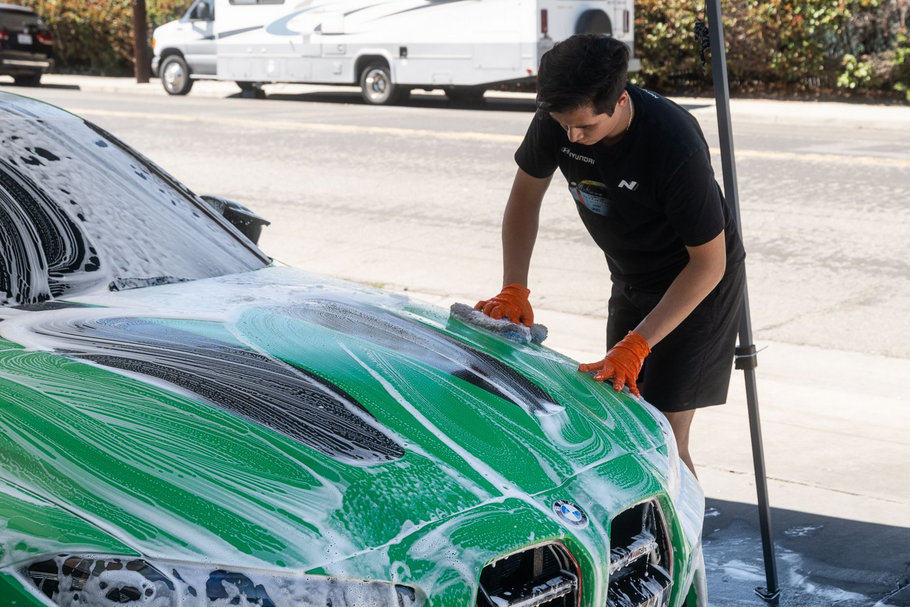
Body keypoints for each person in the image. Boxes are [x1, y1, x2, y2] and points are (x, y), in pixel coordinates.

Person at [475, 34, 746, 476]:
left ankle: (686, 544)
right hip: (631, 275)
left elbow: (709, 263)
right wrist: (514, 287)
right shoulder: (560, 117)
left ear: (620, 102)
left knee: (663, 437)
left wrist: (638, 344)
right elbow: (525, 197)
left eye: (585, 127)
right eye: (564, 125)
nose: (573, 137)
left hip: (696, 290)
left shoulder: (673, 142)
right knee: (620, 422)